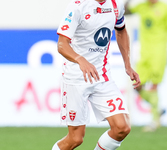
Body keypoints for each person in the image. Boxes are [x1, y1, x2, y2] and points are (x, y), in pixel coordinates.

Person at [52, 0, 141, 149]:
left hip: (102, 76)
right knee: (76, 139)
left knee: (122, 127)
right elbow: (62, 44)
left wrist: (127, 64)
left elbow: (121, 30)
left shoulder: (115, 5)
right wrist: (81, 60)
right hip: (76, 78)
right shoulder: (78, 6)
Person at [125, 0, 167, 132]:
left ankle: (155, 121)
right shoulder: (142, 6)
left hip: (159, 53)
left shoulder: (166, 8)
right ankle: (158, 109)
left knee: (154, 86)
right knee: (136, 85)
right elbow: (125, 12)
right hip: (144, 54)